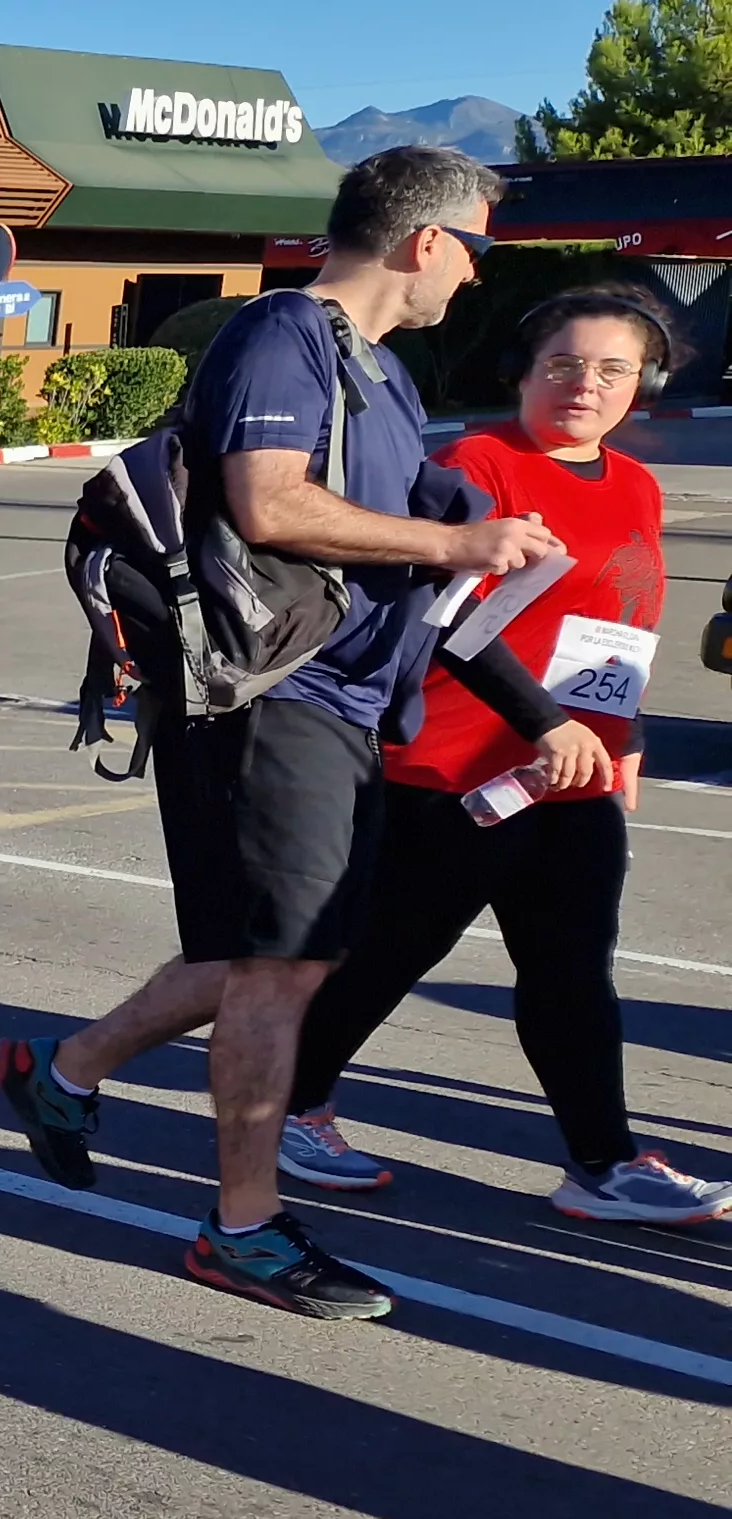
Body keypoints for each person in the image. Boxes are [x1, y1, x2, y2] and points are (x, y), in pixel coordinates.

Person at [0, 147, 571, 1321]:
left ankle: (62, 1071)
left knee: (261, 948)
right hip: (273, 692)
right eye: (477, 248)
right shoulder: (283, 337)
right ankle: (240, 1230)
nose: (474, 276)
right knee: (285, 961)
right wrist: (455, 542)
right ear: (424, 241)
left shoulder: (384, 378)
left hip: (342, 700)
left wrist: (475, 556)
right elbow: (269, 503)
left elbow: (399, 558)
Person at [278, 289, 732, 1227]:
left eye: (612, 368)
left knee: (572, 968)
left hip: (576, 773)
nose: (585, 385)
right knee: (390, 953)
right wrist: (542, 724)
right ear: (523, 373)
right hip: (455, 767)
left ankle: (602, 1165)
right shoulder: (478, 466)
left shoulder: (636, 484)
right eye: (563, 363)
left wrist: (626, 734)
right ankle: (287, 1107)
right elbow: (445, 627)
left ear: (641, 384)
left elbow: (616, 626)